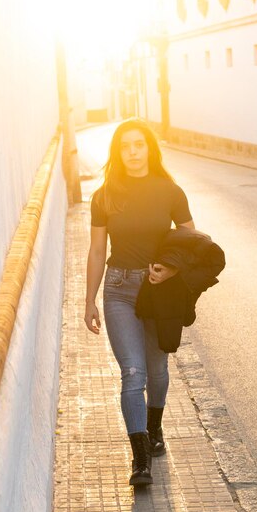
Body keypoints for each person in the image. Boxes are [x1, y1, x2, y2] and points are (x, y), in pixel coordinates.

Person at [84, 118, 195, 487]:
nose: (132, 152)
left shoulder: (170, 191)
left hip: (158, 290)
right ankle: (140, 458)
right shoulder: (105, 196)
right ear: (118, 152)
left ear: (149, 148)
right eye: (125, 146)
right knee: (133, 373)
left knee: (158, 370)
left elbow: (191, 241)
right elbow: (97, 249)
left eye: (138, 145)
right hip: (118, 289)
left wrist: (170, 271)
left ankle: (155, 426)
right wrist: (89, 300)